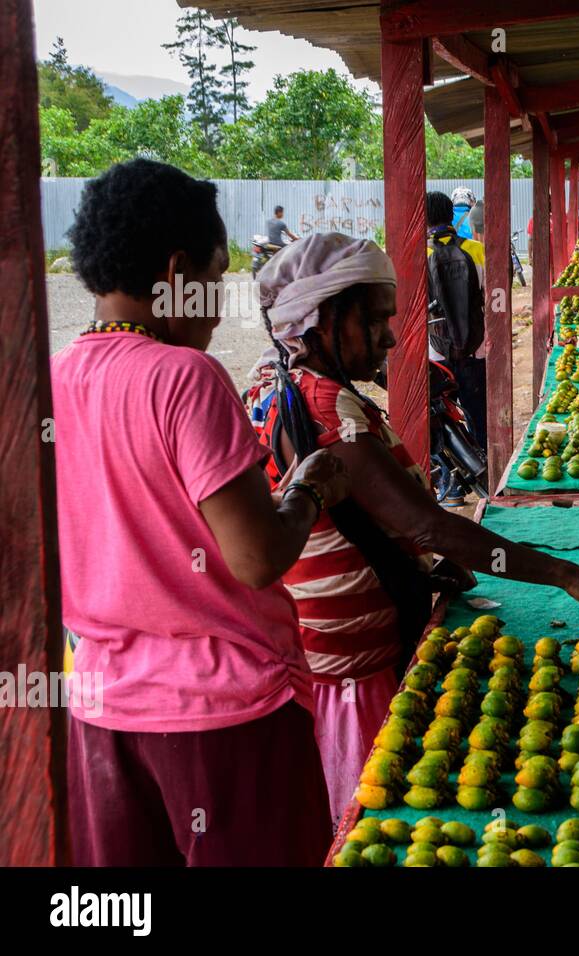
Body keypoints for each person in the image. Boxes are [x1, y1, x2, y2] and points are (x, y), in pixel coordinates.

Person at [246, 233, 579, 820]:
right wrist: (567, 575)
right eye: (375, 320)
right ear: (321, 323)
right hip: (359, 666)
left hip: (350, 651)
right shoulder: (326, 408)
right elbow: (427, 524)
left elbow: (381, 525)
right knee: (381, 814)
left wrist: (426, 567)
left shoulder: (303, 391)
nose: (390, 337)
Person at [53, 158, 348, 865]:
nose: (218, 306)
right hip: (225, 717)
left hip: (100, 711)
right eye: (216, 281)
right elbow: (256, 558)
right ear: (178, 272)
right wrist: (308, 490)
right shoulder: (183, 378)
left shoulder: (54, 375)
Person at [426, 190, 486, 506]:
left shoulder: (416, 254)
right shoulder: (477, 251)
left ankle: (452, 489)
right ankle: (492, 476)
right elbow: (490, 297)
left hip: (437, 357)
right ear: (453, 215)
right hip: (475, 350)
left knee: (440, 419)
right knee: (478, 414)